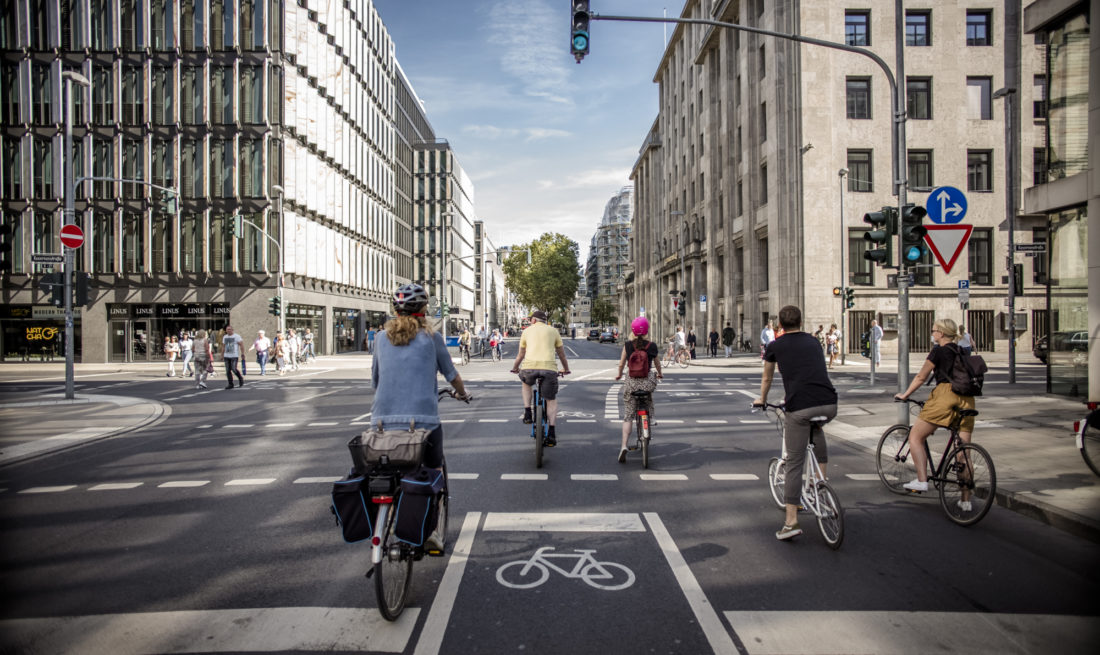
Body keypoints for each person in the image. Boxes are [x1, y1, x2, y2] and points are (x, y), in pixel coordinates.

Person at [371, 283, 470, 551]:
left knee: (388, 472)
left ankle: (389, 519)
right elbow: (452, 375)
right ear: (425, 309)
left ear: (395, 310)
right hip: (423, 425)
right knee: (432, 473)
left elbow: (376, 381)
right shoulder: (432, 338)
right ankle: (432, 534)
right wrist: (462, 394)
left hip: (380, 425)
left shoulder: (380, 339)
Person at [754, 305, 838, 541]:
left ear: (780, 325)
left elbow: (767, 377)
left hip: (801, 406)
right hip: (829, 402)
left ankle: (791, 522)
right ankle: (820, 482)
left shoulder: (775, 346)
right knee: (816, 427)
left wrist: (762, 400)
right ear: (801, 321)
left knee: (794, 462)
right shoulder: (813, 341)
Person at [894, 318, 977, 499]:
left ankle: (922, 481)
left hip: (945, 396)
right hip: (967, 399)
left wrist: (905, 394)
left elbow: (921, 377)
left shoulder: (938, 351)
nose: (932, 334)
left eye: (933, 331)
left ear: (941, 333)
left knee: (916, 436)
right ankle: (966, 501)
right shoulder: (962, 350)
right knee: (963, 451)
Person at [510, 310, 571, 447]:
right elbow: (562, 355)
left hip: (529, 368)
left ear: (533, 320)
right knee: (551, 399)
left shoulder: (526, 331)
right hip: (549, 369)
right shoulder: (554, 331)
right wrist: (566, 369)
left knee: (526, 383)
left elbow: (520, 355)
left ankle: (527, 412)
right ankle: (552, 432)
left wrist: (515, 368)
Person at [614, 317, 663, 462]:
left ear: (633, 331)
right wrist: (660, 374)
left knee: (628, 415)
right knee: (648, 395)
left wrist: (618, 374)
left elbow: (622, 363)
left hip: (632, 383)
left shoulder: (628, 345)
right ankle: (651, 417)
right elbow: (658, 363)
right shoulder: (652, 346)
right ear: (647, 330)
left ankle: (624, 445)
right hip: (647, 382)